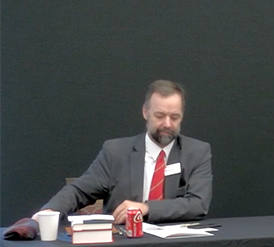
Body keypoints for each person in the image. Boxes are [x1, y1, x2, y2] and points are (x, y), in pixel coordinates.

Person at [38, 80, 213, 224]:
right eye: (160, 116)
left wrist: (146, 208)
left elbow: (198, 204)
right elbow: (79, 191)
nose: (167, 123)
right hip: (124, 245)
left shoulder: (197, 152)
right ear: (145, 112)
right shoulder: (116, 152)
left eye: (174, 117)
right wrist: (48, 213)